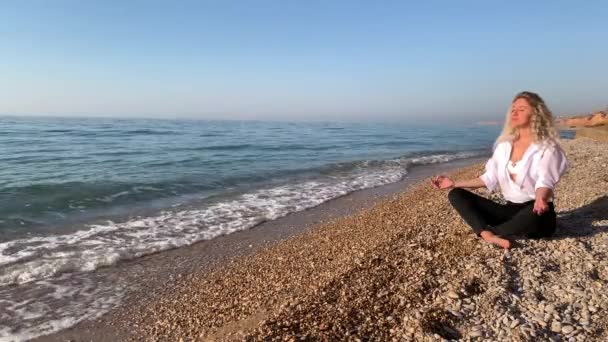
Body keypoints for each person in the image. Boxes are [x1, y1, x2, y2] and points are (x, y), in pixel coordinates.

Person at [431, 91, 569, 249]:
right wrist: (453, 183)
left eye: (522, 109)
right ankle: (489, 234)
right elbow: (488, 179)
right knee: (456, 194)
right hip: (510, 211)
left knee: (534, 213)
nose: (515, 112)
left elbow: (545, 180)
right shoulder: (504, 147)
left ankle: (490, 232)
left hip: (537, 212)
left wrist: (540, 199)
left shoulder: (547, 147)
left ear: (536, 114)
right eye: (513, 109)